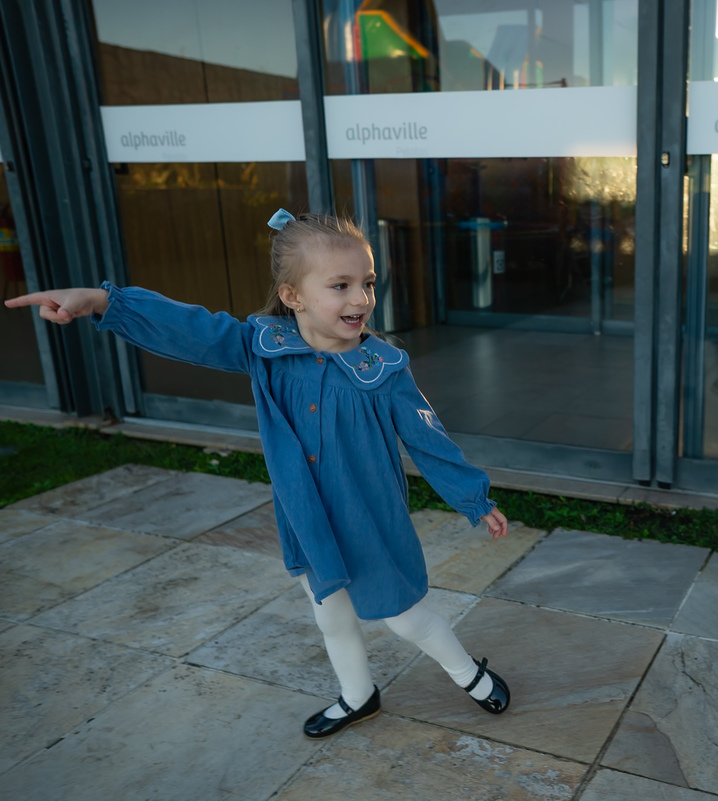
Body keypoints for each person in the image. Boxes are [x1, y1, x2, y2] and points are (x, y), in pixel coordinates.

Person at [5, 209, 513, 739]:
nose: (360, 299)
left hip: (369, 517)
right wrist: (103, 301)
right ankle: (358, 696)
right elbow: (191, 329)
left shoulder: (383, 368)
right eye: (340, 286)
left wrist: (474, 499)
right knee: (331, 616)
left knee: (405, 616)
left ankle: (470, 676)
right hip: (306, 516)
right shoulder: (263, 347)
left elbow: (428, 439)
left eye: (367, 284)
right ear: (293, 296)